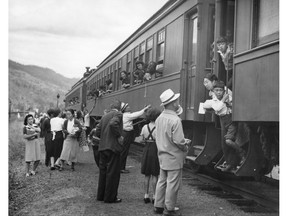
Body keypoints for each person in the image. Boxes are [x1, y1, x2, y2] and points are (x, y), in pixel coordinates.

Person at [154, 89, 190, 216]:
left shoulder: (159, 118)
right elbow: (179, 141)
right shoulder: (175, 120)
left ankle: (158, 205)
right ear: (173, 103)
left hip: (162, 155)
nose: (177, 102)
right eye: (176, 100)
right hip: (174, 156)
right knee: (172, 184)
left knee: (162, 181)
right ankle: (169, 209)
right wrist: (185, 145)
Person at [203, 81, 245, 172]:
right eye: (217, 90)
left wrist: (229, 103)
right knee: (224, 145)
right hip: (223, 121)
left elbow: (234, 105)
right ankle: (230, 163)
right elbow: (217, 108)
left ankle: (242, 153)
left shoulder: (228, 97)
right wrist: (223, 100)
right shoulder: (213, 101)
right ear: (213, 91)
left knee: (228, 141)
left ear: (223, 91)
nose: (219, 92)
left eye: (221, 90)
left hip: (231, 121)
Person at [95, 100, 124, 203]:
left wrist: (104, 137)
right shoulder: (118, 114)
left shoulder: (104, 116)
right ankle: (110, 198)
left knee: (103, 172)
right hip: (113, 148)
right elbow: (113, 124)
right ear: (119, 107)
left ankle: (101, 196)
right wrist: (118, 136)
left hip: (102, 147)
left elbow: (98, 131)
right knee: (112, 173)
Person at [120, 102, 151, 173]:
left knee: (124, 150)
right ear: (125, 109)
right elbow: (137, 114)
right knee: (124, 151)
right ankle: (121, 168)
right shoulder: (127, 115)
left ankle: (121, 167)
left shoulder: (125, 115)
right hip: (126, 134)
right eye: (127, 106)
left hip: (125, 133)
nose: (129, 107)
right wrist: (145, 109)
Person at [140, 107, 161, 204]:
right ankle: (155, 196)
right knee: (155, 174)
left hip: (146, 150)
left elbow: (142, 140)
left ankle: (146, 195)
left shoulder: (144, 127)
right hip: (155, 150)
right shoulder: (159, 127)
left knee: (147, 175)